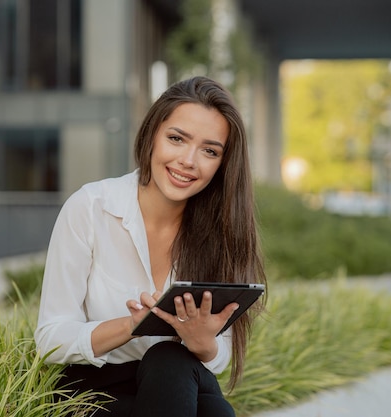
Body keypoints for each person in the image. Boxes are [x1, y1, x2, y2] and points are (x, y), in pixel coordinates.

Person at [34, 76, 266, 417]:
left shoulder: (222, 230)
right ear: (152, 135)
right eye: (176, 139)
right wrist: (132, 326)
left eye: (209, 151)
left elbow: (220, 355)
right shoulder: (91, 207)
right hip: (95, 389)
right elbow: (51, 338)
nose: (189, 160)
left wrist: (202, 342)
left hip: (178, 379)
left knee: (169, 358)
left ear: (222, 164)